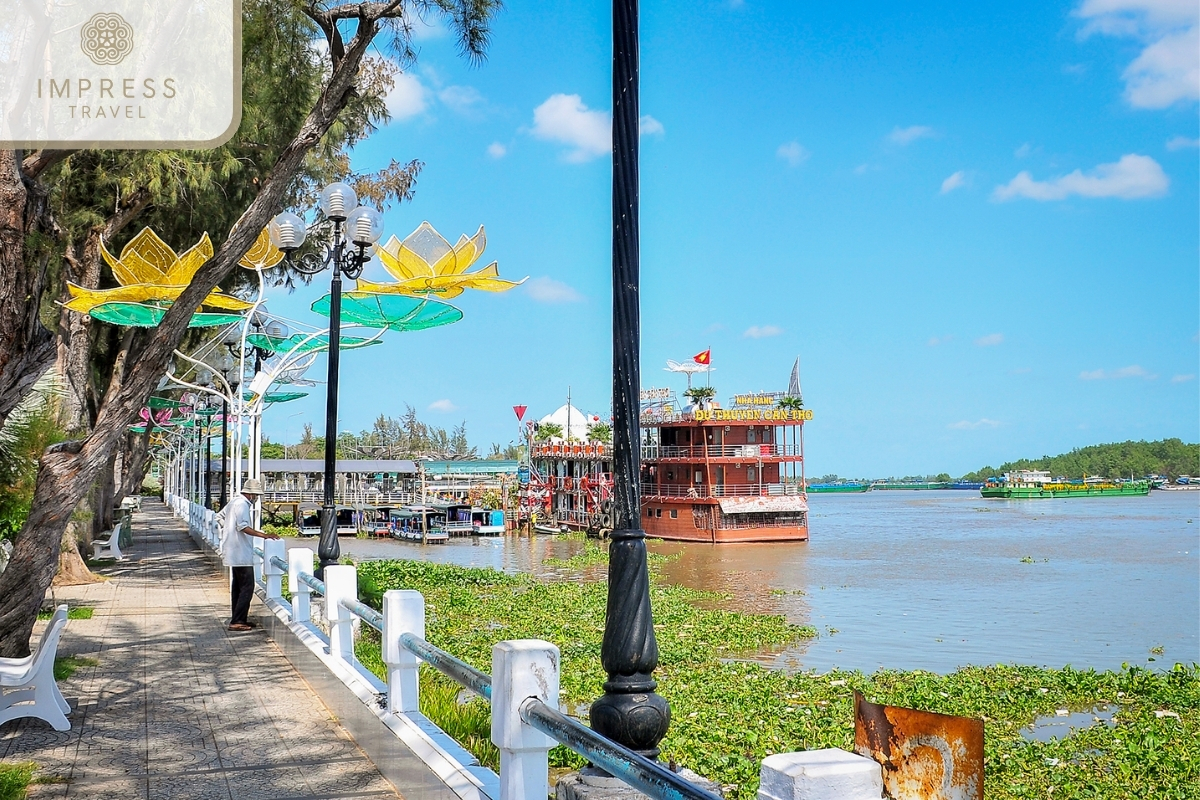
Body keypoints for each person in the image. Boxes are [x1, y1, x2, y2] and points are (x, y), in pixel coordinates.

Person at [219, 478, 279, 631]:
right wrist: (264, 535)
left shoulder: (233, 502)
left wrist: (227, 532)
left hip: (232, 550)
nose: (256, 498)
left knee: (238, 587)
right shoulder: (242, 505)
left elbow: (219, 517)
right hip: (240, 551)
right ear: (251, 494)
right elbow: (243, 527)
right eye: (256, 495)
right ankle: (238, 620)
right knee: (247, 586)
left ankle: (239, 618)